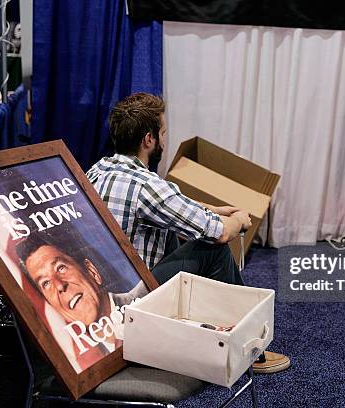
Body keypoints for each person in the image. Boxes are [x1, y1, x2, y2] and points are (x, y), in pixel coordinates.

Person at [86, 92, 290, 374]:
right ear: (149, 140)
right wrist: (240, 219)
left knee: (173, 228)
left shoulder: (98, 170)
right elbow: (219, 233)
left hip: (104, 292)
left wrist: (212, 208)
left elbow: (173, 205)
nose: (165, 139)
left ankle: (189, 324)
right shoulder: (148, 186)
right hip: (132, 306)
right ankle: (250, 348)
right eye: (163, 132)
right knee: (214, 249)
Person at [16, 233, 141, 357]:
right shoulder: (78, 361)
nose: (59, 285)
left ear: (92, 271)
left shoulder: (146, 295)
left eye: (61, 268)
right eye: (46, 283)